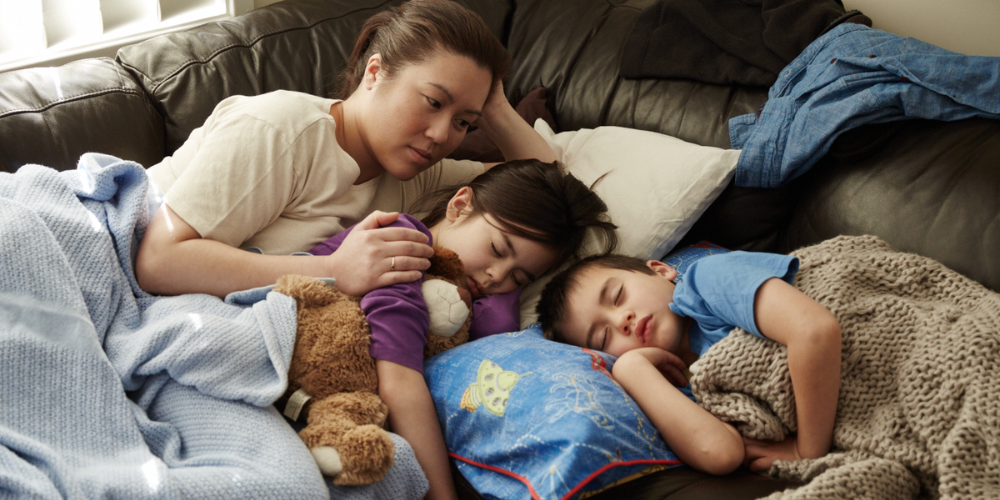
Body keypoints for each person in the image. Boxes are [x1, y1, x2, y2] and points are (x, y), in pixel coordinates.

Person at [135, 0, 555, 302]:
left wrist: (492, 103)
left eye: (464, 122)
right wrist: (332, 272)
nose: (442, 134)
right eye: (433, 102)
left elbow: (546, 189)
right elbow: (159, 259)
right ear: (376, 72)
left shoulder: (418, 177)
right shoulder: (283, 128)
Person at [309, 159, 617, 498]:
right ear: (459, 206)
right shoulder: (400, 246)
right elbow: (399, 381)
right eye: (497, 249)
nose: (497, 277)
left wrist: (503, 306)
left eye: (519, 278)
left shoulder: (468, 300)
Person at [535, 252, 842, 476]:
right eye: (604, 337)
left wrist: (807, 451)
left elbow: (815, 330)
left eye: (618, 295)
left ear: (660, 270)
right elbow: (722, 454)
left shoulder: (707, 282)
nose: (622, 320)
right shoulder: (677, 387)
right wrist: (632, 370)